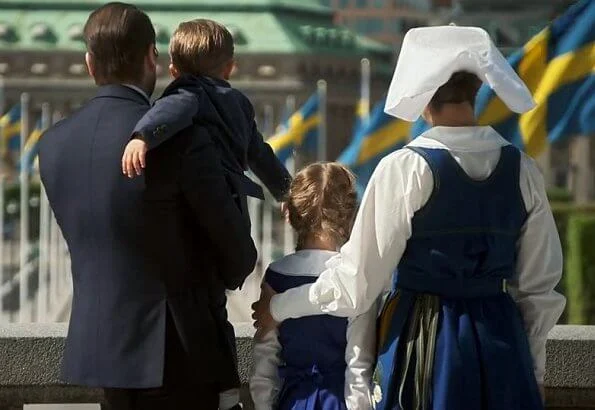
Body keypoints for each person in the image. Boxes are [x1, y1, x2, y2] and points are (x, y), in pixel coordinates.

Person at [252, 26, 566, 410]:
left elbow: (358, 285)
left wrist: (279, 306)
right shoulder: (524, 171)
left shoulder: (404, 169)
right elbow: (539, 291)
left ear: (422, 92)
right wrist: (531, 372)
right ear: (477, 88)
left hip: (427, 342)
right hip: (503, 343)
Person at [38, 3, 256, 409]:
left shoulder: (52, 145)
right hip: (181, 355)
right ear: (151, 58)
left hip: (101, 352)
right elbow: (237, 252)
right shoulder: (183, 138)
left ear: (89, 64)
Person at [121, 19, 291, 213]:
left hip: (198, 200)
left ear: (174, 71)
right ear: (229, 68)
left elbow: (168, 111)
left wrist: (142, 136)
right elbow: (260, 155)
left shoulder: (189, 94)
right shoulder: (240, 103)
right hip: (234, 201)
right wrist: (285, 190)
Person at [250, 163, 376, 410]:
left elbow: (265, 360)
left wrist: (264, 404)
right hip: (338, 401)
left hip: (293, 400)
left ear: (292, 213)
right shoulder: (354, 277)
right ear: (348, 215)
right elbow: (358, 366)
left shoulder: (277, 275)